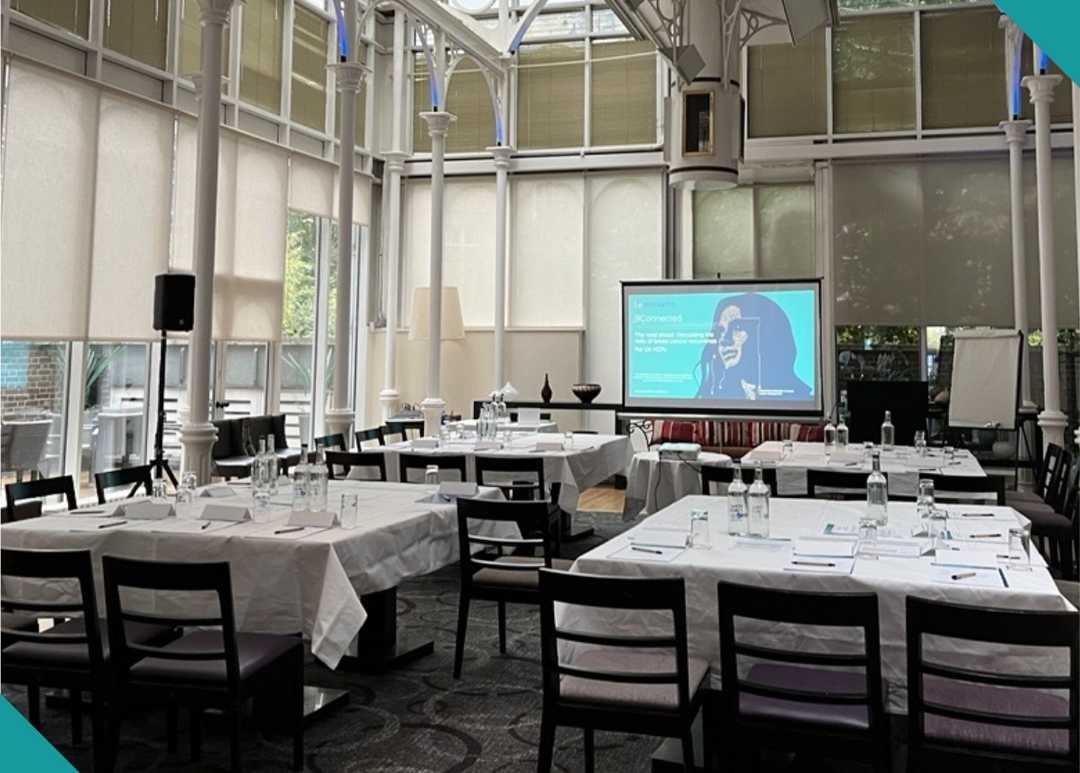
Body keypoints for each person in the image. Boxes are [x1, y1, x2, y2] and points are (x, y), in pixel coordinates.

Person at [696, 292, 812, 400]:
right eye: (720, 331)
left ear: (766, 335)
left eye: (737, 328)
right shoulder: (718, 398)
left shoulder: (800, 400)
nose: (724, 340)